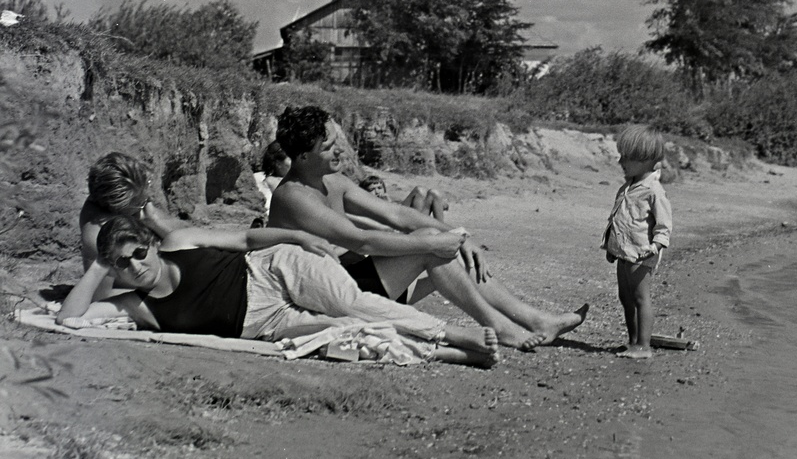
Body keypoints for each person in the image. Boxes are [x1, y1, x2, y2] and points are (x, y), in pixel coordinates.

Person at [269, 104, 587, 352]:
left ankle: (534, 320)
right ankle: (501, 327)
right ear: (302, 157)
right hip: (324, 296)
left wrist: (459, 235)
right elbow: (362, 241)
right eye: (328, 147)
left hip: (351, 280)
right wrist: (435, 244)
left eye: (337, 142)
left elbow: (397, 215)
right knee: (432, 246)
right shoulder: (295, 197)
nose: (339, 151)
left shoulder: (331, 180)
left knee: (440, 241)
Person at [58, 216, 501, 368]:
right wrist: (100, 264)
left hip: (272, 270)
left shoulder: (179, 241)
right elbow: (69, 319)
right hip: (264, 324)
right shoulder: (137, 306)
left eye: (137, 252)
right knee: (345, 341)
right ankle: (449, 354)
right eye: (122, 264)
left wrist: (296, 237)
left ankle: (452, 334)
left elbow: (246, 240)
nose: (135, 266)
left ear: (150, 243)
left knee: (353, 304)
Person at [603, 125, 672, 360]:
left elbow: (663, 227)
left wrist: (655, 247)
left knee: (641, 297)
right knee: (625, 297)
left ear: (645, 161)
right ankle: (632, 341)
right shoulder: (629, 186)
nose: (621, 162)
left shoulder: (654, 190)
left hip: (642, 252)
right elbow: (618, 218)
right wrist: (610, 246)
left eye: (628, 158)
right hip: (624, 250)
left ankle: (644, 345)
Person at [79, 151, 179, 272]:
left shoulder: (134, 205)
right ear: (116, 207)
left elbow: (188, 234)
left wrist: (154, 221)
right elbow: (100, 288)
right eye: (139, 203)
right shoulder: (97, 234)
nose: (146, 203)